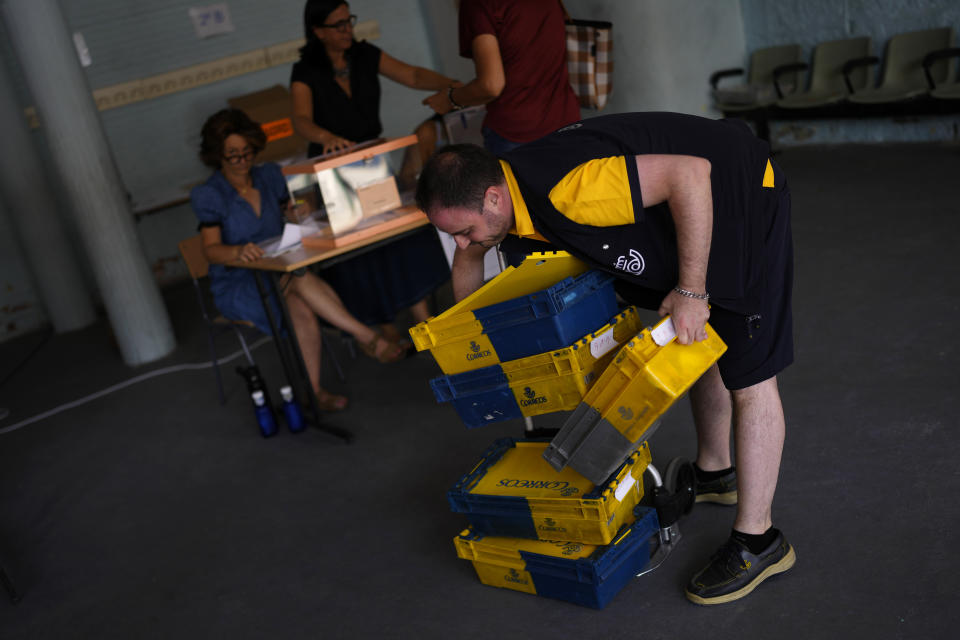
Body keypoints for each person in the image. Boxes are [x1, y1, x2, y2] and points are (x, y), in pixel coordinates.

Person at [414, 112, 796, 606]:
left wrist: (692, 289)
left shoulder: (568, 190)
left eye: (463, 231)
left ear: (492, 198)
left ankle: (759, 541)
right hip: (686, 202)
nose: (462, 245)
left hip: (738, 193)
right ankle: (716, 472)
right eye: (453, 236)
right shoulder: (500, 195)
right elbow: (469, 262)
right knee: (694, 338)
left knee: (751, 374)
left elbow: (689, 175)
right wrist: (474, 355)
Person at [190, 109, 407, 412]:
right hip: (239, 281)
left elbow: (292, 209)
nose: (242, 161)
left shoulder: (267, 175)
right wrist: (237, 252)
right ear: (217, 156)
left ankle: (313, 392)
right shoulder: (209, 194)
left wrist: (296, 212)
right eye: (233, 155)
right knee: (300, 281)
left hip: (279, 266)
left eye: (247, 152)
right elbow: (211, 250)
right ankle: (367, 337)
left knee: (300, 297)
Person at [290, 0, 455, 343]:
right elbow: (300, 120)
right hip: (333, 172)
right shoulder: (305, 70)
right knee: (359, 254)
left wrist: (455, 87)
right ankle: (382, 327)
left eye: (348, 20)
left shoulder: (364, 55)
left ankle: (422, 321)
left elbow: (411, 74)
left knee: (396, 237)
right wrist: (327, 137)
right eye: (337, 25)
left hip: (370, 163)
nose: (347, 29)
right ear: (318, 31)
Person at [423, 0, 580, 155]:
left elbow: (490, 85)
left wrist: (450, 99)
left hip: (516, 132)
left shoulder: (479, 4)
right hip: (567, 121)